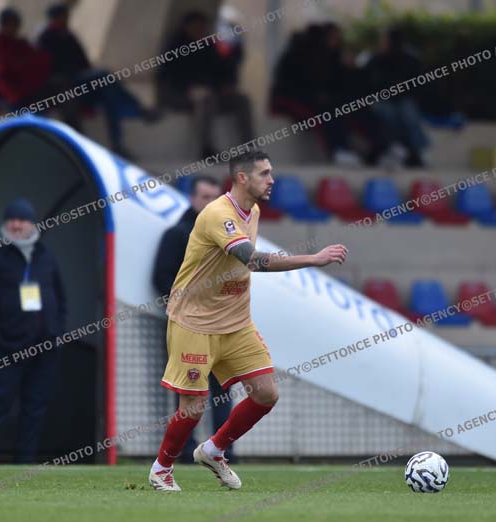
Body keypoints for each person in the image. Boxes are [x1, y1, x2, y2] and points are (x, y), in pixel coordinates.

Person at [149, 151, 348, 491]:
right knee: (193, 407)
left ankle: (213, 450)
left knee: (266, 394)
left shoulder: (252, 210)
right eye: (264, 173)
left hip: (236, 323)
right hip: (194, 322)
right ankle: (161, 468)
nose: (272, 180)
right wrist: (313, 259)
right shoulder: (218, 214)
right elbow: (253, 261)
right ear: (242, 178)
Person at [0, 198, 67, 464]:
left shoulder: (45, 256)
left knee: (35, 408)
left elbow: (60, 299)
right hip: (5, 349)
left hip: (44, 349)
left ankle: (25, 461)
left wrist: (56, 332)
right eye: (11, 219)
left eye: (22, 220)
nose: (16, 224)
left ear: (32, 224)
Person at [152, 176, 235, 463]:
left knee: (223, 390)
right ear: (191, 198)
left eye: (214, 197)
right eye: (204, 197)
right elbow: (161, 277)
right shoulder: (178, 235)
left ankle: (222, 450)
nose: (210, 203)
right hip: (188, 326)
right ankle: (185, 451)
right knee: (189, 391)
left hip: (221, 325)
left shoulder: (225, 235)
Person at [37, 3, 157, 158]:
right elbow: (49, 68)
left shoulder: (69, 36)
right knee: (104, 76)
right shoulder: (46, 38)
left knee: (110, 97)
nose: (65, 19)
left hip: (81, 82)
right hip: (66, 85)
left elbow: (83, 61)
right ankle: (139, 110)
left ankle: (117, 143)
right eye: (62, 16)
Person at [158, 12, 255, 159]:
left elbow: (222, 69)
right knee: (206, 99)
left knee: (242, 100)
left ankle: (249, 147)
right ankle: (206, 148)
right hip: (181, 95)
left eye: (203, 27)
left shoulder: (209, 46)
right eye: (196, 26)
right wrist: (191, 88)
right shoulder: (175, 48)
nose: (200, 30)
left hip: (212, 93)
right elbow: (169, 76)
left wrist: (225, 85)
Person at [271, 24, 361, 166]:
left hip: (311, 98)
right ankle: (337, 150)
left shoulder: (331, 57)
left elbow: (337, 86)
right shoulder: (302, 55)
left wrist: (349, 70)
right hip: (290, 100)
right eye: (334, 38)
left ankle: (350, 149)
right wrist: (317, 96)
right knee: (326, 112)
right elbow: (297, 85)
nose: (337, 42)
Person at [361, 27, 429, 167]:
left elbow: (417, 84)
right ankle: (400, 147)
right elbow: (368, 82)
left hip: (403, 99)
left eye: (384, 40)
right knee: (388, 113)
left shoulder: (410, 59)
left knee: (409, 114)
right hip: (381, 99)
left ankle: (415, 151)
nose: (382, 43)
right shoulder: (375, 59)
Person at [0, 8, 51, 112]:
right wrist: (14, 97)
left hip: (27, 93)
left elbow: (36, 64)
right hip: (5, 96)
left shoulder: (21, 44)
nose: (14, 28)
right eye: (11, 24)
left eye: (16, 24)